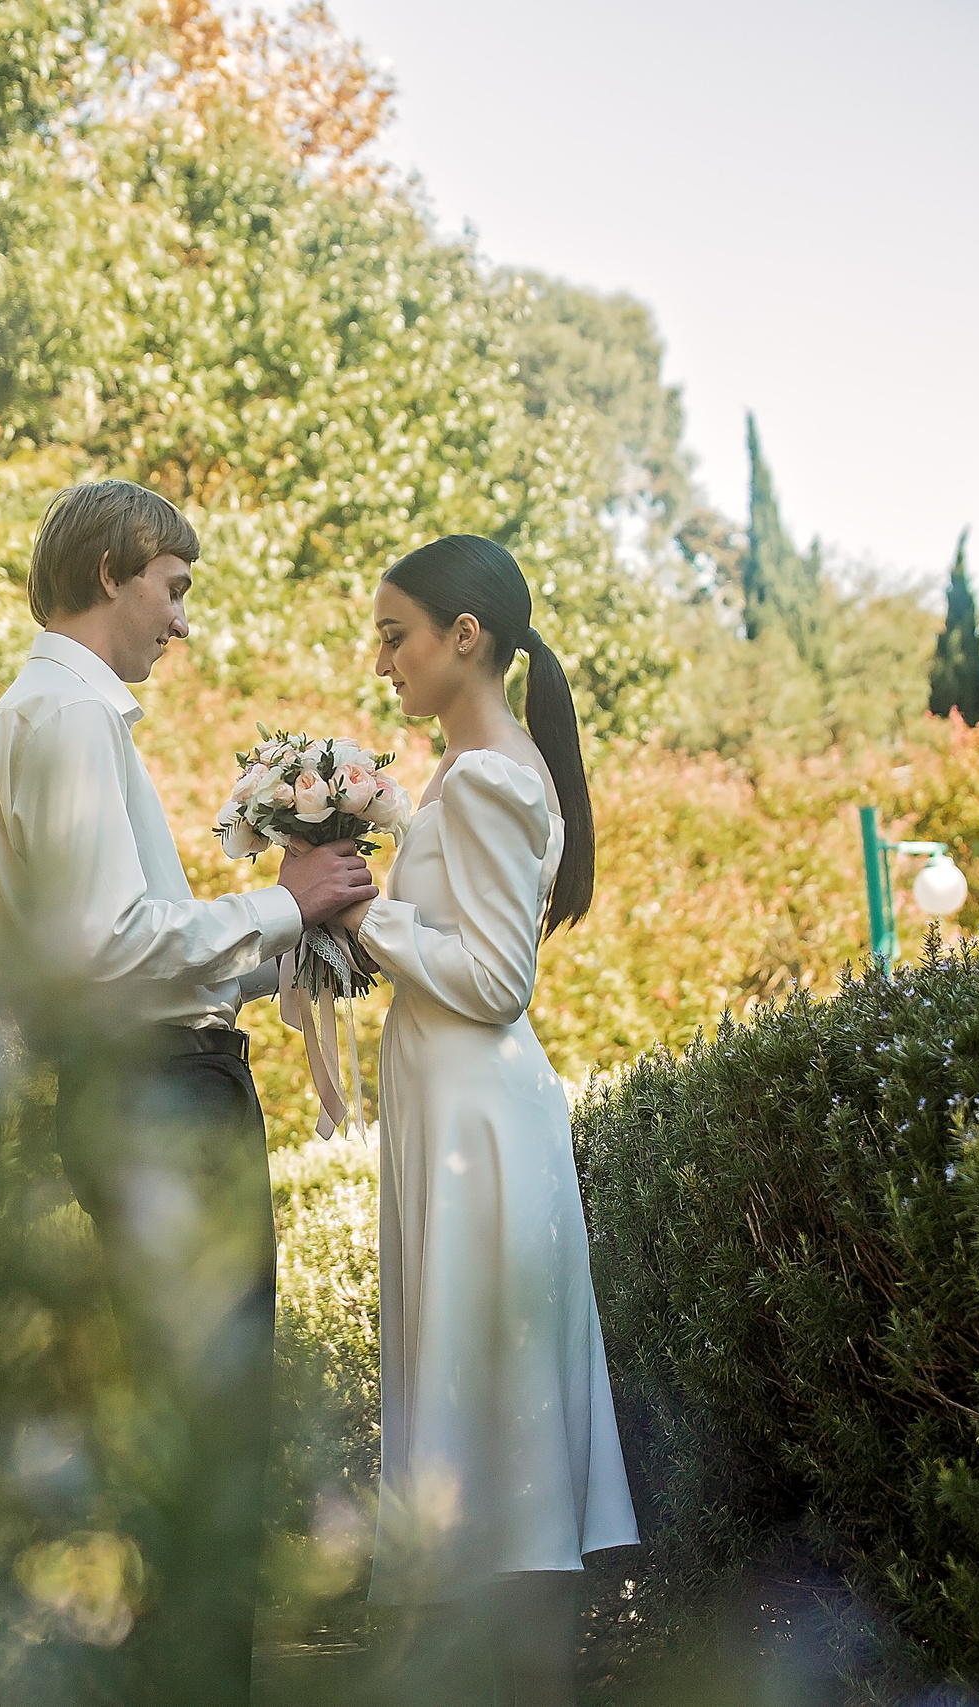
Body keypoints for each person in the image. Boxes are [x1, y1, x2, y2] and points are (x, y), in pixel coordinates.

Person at [0, 479, 379, 1704]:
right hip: (160, 1103)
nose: (180, 620)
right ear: (112, 573)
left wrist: (286, 943)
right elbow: (112, 952)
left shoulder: (44, 715)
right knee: (206, 1447)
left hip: (138, 1084)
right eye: (174, 587)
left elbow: (127, 953)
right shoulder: (70, 720)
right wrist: (281, 901)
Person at [332, 534, 640, 1705]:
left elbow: (499, 976)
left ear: (466, 637)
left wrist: (365, 919)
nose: (383, 660)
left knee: (499, 1425)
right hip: (450, 1117)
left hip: (483, 1138)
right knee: (475, 1417)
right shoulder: (465, 773)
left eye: (394, 633)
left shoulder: (498, 775)